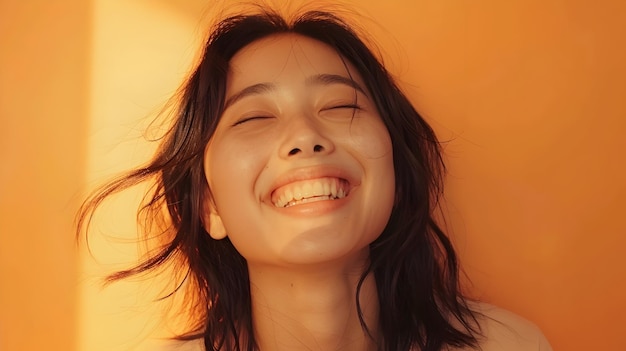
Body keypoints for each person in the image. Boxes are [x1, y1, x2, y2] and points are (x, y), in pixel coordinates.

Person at [77, 5, 552, 351]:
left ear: (396, 171)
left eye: (341, 106)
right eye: (253, 118)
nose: (305, 136)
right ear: (209, 206)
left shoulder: (512, 345)